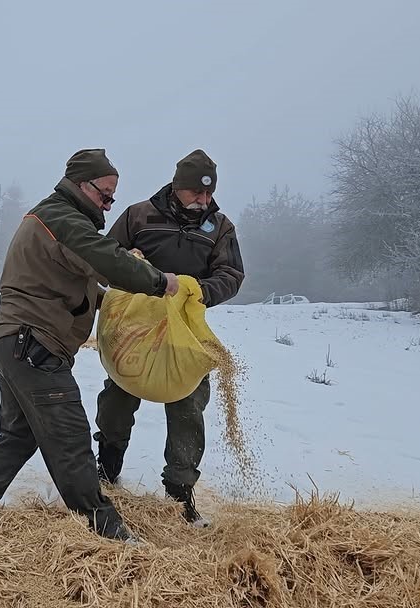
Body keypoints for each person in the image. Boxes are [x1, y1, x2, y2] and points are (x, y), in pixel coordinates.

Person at [0, 148, 180, 542]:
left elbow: (77, 285)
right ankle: (107, 531)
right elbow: (106, 261)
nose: (109, 204)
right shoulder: (63, 220)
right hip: (34, 345)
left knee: (19, 434)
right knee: (71, 439)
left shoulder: (51, 219)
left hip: (11, 343)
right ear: (81, 184)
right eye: (104, 193)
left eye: (113, 197)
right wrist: (160, 282)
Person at [93, 149, 245, 526]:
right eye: (196, 193)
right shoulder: (139, 215)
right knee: (117, 398)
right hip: (136, 328)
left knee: (189, 409)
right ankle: (107, 470)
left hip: (184, 333)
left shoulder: (220, 227)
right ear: (178, 187)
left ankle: (180, 494)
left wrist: (200, 292)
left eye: (208, 194)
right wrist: (131, 262)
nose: (203, 201)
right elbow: (106, 258)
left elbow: (231, 274)